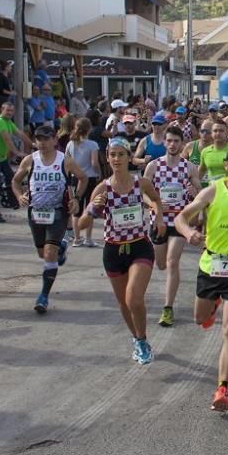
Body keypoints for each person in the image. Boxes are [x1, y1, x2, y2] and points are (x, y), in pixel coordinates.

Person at [175, 146, 228, 411]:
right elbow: (180, 217)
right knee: (200, 318)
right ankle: (211, 308)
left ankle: (222, 388)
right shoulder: (212, 190)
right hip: (211, 265)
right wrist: (189, 233)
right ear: (226, 165)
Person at [77, 137, 166, 364]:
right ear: (107, 158)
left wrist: (159, 218)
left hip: (139, 246)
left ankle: (143, 339)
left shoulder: (141, 183)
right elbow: (81, 225)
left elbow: (156, 200)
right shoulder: (103, 188)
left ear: (129, 157)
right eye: (112, 155)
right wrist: (93, 208)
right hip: (113, 251)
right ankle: (137, 339)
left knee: (134, 298)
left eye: (121, 154)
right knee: (124, 303)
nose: (116, 159)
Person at [10, 125, 88, 313]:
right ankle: (61, 247)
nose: (42, 143)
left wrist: (76, 199)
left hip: (58, 212)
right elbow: (15, 181)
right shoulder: (30, 160)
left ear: (54, 140)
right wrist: (19, 195)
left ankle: (43, 296)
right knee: (41, 253)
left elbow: (83, 178)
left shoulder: (65, 161)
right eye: (38, 139)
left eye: (46, 139)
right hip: (35, 212)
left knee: (49, 254)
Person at [145, 126, 200, 327]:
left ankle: (167, 308)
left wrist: (193, 191)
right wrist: (154, 203)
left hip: (179, 221)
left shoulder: (189, 168)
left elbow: (199, 195)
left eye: (176, 141)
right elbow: (142, 192)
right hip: (159, 221)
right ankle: (168, 300)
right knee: (161, 264)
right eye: (169, 141)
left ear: (182, 144)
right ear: (164, 142)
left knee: (172, 261)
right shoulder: (153, 166)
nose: (172, 144)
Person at [0, 101, 31, 222]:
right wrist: (17, 152)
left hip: (2, 158)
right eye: (8, 110)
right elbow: (7, 139)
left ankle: (12, 202)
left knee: (13, 178)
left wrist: (33, 143)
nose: (10, 113)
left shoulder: (8, 122)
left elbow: (20, 134)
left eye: (12, 111)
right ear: (2, 109)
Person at [65, 118, 101, 247]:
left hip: (75, 178)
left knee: (76, 209)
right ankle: (88, 238)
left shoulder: (70, 144)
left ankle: (76, 238)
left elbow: (66, 162)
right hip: (90, 178)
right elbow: (94, 163)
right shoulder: (93, 145)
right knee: (90, 208)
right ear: (89, 129)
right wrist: (99, 173)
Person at [199, 121, 228, 186]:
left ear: (227, 133)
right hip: (212, 191)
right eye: (215, 131)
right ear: (211, 133)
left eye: (221, 131)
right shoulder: (205, 151)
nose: (218, 133)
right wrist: (196, 186)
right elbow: (201, 170)